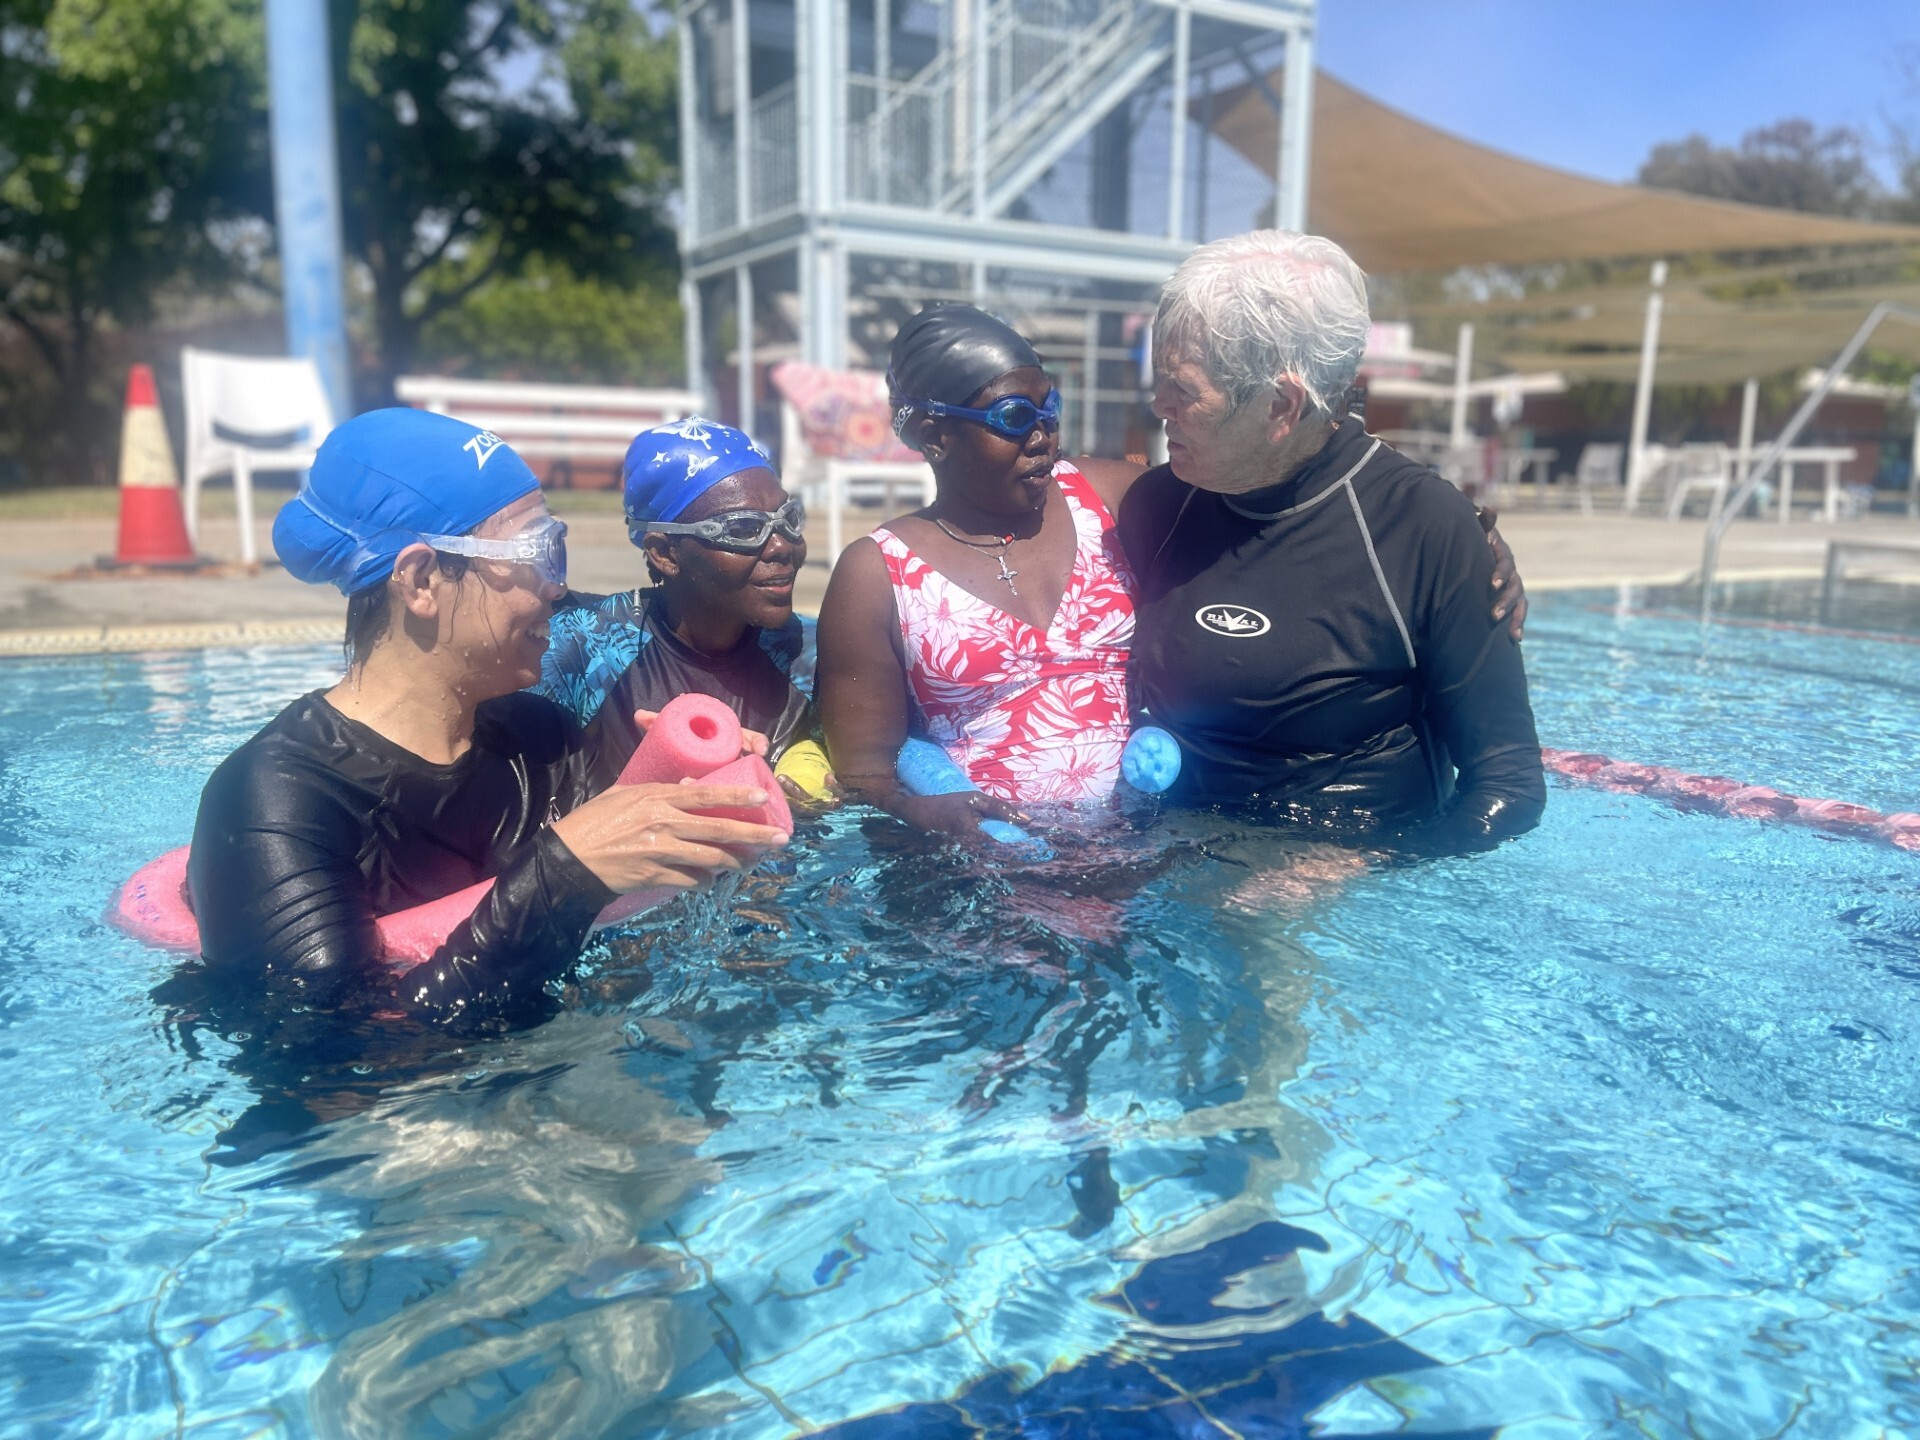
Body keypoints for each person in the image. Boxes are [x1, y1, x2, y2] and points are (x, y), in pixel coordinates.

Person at [187, 409, 787, 1026]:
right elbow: (334, 1062)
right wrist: (559, 877)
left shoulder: (537, 741)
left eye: (557, 549)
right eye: (536, 552)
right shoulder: (274, 801)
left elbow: (632, 925)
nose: (557, 587)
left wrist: (699, 802)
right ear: (421, 581)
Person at [1120, 230, 1545, 850]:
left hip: (1342, 872)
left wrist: (1360, 870)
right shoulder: (1158, 504)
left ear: (1283, 406)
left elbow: (1509, 787)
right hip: (1168, 842)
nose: (1157, 405)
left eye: (1183, 390)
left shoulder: (1421, 526)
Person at [813, 305, 1144, 835]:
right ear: (933, 436)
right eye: (1012, 417)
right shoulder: (875, 575)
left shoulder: (1109, 497)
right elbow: (861, 777)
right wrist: (922, 813)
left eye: (1049, 408)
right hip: (995, 868)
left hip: (1141, 841)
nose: (1042, 436)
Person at [536, 418, 833, 801]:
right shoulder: (582, 650)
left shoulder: (814, 653)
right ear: (664, 553)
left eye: (788, 520)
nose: (781, 547)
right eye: (743, 529)